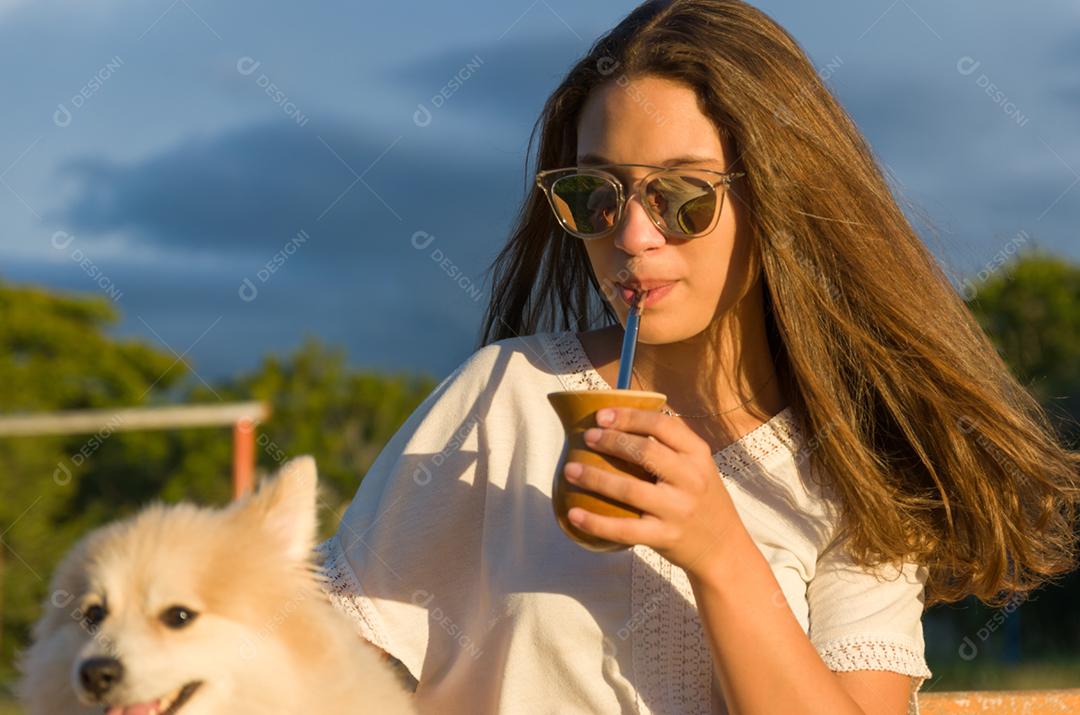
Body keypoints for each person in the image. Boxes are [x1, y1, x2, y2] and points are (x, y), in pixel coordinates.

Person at [316, 1, 1080, 713]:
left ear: (779, 195)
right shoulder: (506, 396)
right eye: (595, 195)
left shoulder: (855, 471)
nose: (632, 237)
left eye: (682, 196)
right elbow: (317, 655)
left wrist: (718, 549)